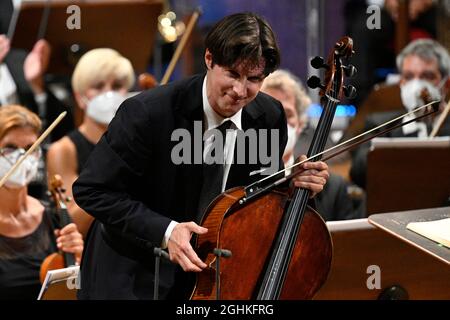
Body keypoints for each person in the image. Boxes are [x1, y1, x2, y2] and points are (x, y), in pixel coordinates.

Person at [72, 13, 330, 300]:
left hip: (208, 277)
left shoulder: (269, 116)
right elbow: (92, 190)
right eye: (232, 74)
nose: (240, 91)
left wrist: (294, 188)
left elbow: (259, 200)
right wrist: (167, 231)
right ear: (209, 59)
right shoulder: (147, 113)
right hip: (133, 274)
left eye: (254, 79)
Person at [46, 48, 135, 237]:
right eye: (98, 86)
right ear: (80, 97)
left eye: (117, 85)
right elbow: (73, 222)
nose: (108, 93)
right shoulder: (64, 149)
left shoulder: (137, 140)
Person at [0, 105, 83, 300]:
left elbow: (73, 291)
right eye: (10, 147)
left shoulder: (54, 215)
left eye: (30, 148)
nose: (22, 156)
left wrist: (78, 261)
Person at [350, 38, 450, 189]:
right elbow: (358, 173)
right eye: (409, 77)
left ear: (445, 83)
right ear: (401, 82)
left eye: (427, 76)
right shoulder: (381, 125)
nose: (417, 85)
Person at [261, 69, 359, 221]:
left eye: (287, 114)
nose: (278, 121)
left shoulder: (333, 188)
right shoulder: (240, 180)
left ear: (300, 124)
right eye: (268, 112)